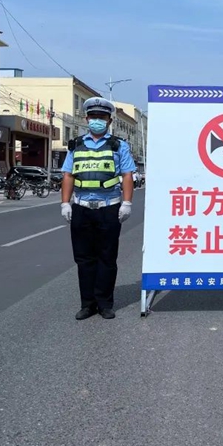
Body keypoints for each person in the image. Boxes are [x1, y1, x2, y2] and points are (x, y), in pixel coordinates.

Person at [60, 97, 137, 321]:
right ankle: (88, 304)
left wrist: (127, 203)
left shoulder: (118, 145)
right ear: (86, 119)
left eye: (101, 117)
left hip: (108, 208)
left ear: (109, 120)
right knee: (84, 259)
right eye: (93, 116)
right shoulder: (75, 145)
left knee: (107, 257)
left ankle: (104, 303)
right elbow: (68, 175)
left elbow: (127, 175)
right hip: (81, 208)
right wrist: (65, 203)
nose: (97, 120)